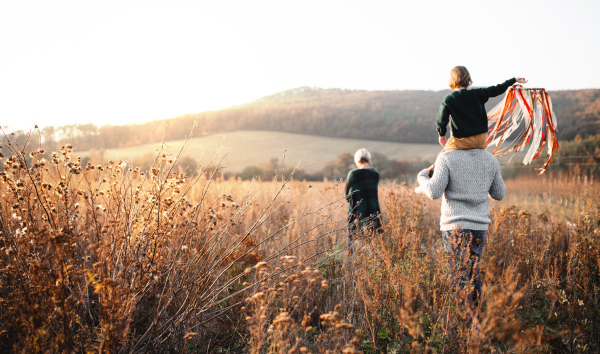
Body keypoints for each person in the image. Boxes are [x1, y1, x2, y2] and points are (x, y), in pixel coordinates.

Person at [416, 147, 505, 326]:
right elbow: (499, 193)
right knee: (474, 275)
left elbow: (433, 192)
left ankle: (465, 330)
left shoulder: (446, 157)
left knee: (459, 277)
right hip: (479, 227)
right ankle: (475, 327)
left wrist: (422, 176)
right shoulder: (490, 159)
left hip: (455, 228)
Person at [436, 66, 527, 151]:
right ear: (468, 79)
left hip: (462, 141)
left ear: (452, 80)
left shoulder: (449, 99)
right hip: (481, 140)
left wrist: (442, 134)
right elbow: (497, 89)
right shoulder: (478, 93)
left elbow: (442, 120)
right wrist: (514, 79)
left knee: (443, 156)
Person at [344, 148, 382, 251]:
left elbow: (347, 195)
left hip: (357, 213)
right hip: (373, 211)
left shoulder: (353, 174)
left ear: (357, 160)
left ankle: (353, 262)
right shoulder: (375, 174)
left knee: (354, 242)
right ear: (368, 159)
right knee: (374, 243)